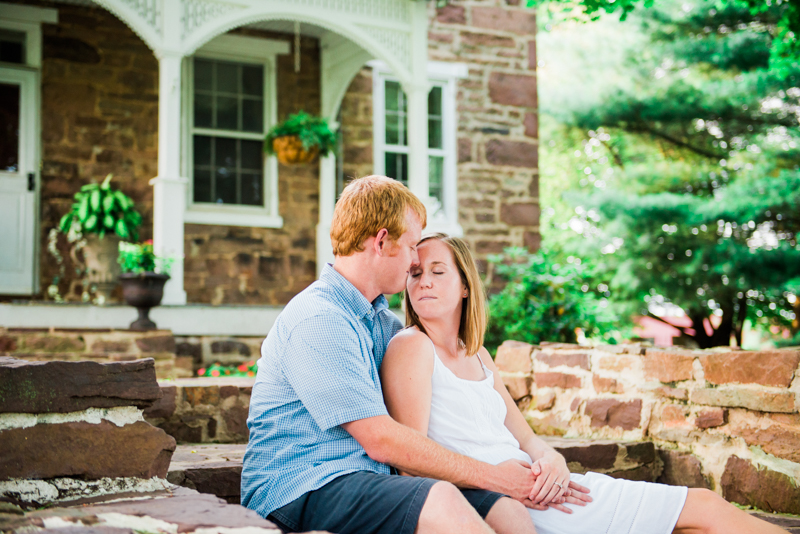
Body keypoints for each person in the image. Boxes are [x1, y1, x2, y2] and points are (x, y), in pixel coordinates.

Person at [241, 176, 590, 534]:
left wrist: (537, 461)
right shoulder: (321, 318)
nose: (413, 262)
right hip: (303, 488)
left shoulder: (379, 322)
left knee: (504, 511)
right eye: (410, 248)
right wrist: (497, 477)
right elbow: (380, 439)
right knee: (443, 501)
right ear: (381, 241)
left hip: (368, 483)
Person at [381, 232, 789, 534]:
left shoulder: (478, 354)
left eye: (437, 271)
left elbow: (529, 438)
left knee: (703, 511)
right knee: (704, 510)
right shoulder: (412, 347)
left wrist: (554, 461)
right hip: (504, 498)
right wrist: (498, 490)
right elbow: (411, 463)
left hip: (547, 486)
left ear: (466, 285)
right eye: (415, 274)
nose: (424, 282)